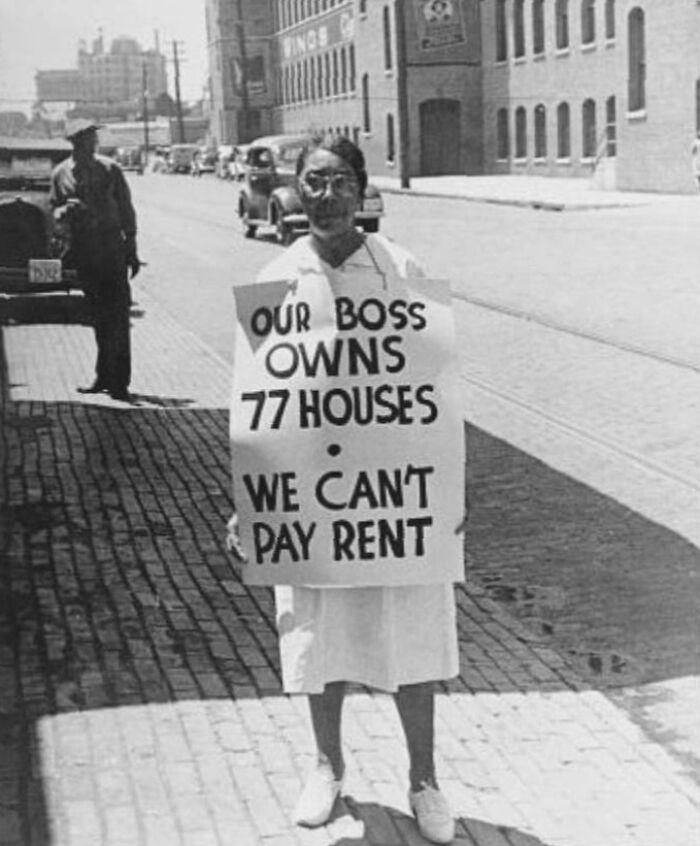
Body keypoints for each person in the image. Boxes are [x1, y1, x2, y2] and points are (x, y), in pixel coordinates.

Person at [228, 135, 460, 844]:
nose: (324, 196)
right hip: (313, 506)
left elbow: (434, 392)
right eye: (312, 183)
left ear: (361, 190)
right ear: (296, 191)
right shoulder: (276, 279)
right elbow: (258, 406)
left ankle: (424, 780)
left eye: (337, 182)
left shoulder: (401, 270)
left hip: (394, 503)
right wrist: (249, 503)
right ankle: (327, 766)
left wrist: (448, 487)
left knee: (410, 632)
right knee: (317, 636)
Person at [51, 118, 141, 401]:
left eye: (94, 138)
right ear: (74, 142)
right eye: (87, 139)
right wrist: (64, 211)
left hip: (111, 251)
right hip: (85, 253)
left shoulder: (110, 169)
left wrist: (132, 248)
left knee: (118, 317)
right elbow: (54, 209)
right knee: (99, 317)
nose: (93, 143)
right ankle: (103, 376)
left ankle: (119, 382)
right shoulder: (60, 173)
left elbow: (126, 209)